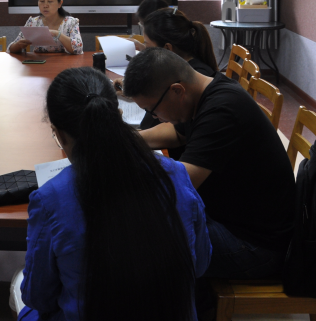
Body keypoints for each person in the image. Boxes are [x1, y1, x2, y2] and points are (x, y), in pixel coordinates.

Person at [16, 67, 210, 321]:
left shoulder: (50, 198)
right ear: (118, 115)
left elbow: (38, 296)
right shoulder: (175, 175)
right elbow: (199, 264)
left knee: (21, 289)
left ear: (59, 134)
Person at [122, 48, 295, 318]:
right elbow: (177, 132)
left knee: (146, 246)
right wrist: (126, 141)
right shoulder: (207, 91)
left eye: (152, 110)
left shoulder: (223, 109)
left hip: (258, 245)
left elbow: (179, 187)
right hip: (234, 219)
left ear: (177, 90)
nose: (154, 117)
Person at [122, 8, 219, 134]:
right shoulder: (178, 72)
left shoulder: (194, 79)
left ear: (167, 49)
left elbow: (176, 132)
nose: (144, 52)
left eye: (148, 46)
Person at [8, 0, 84, 55]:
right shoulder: (33, 22)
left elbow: (78, 49)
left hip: (65, 62)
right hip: (39, 61)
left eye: (50, 1)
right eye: (42, 1)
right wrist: (19, 45)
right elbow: (10, 49)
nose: (45, 5)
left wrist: (57, 34)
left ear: (60, 3)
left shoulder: (71, 22)